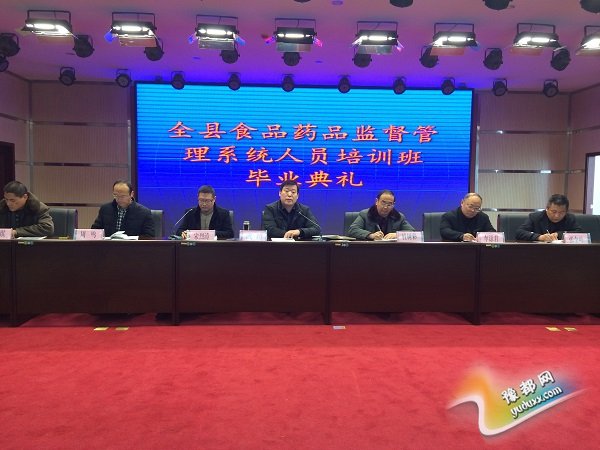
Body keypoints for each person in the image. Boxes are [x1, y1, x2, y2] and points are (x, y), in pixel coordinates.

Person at [348, 189, 414, 240]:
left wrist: (397, 235)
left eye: (389, 204)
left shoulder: (399, 217)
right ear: (376, 201)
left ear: (393, 205)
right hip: (369, 249)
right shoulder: (365, 214)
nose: (385, 207)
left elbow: (413, 233)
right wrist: (371, 235)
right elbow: (352, 230)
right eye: (383, 203)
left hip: (392, 250)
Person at [516, 194, 582, 242]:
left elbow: (580, 233)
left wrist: (559, 234)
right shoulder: (535, 217)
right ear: (547, 209)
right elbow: (520, 233)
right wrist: (539, 237)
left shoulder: (570, 218)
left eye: (561, 212)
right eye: (554, 212)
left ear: (566, 211)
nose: (557, 216)